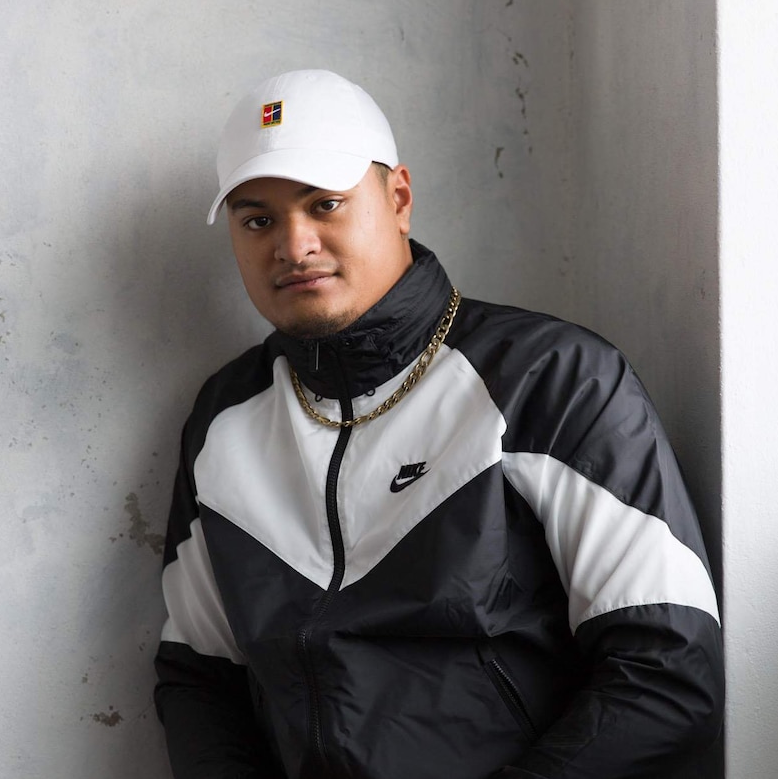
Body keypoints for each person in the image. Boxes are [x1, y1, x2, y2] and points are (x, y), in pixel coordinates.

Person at [154, 69, 723, 779]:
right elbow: (199, 676)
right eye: (257, 218)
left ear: (398, 199)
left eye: (325, 203)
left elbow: (669, 667)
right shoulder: (223, 419)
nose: (293, 245)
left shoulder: (551, 379)